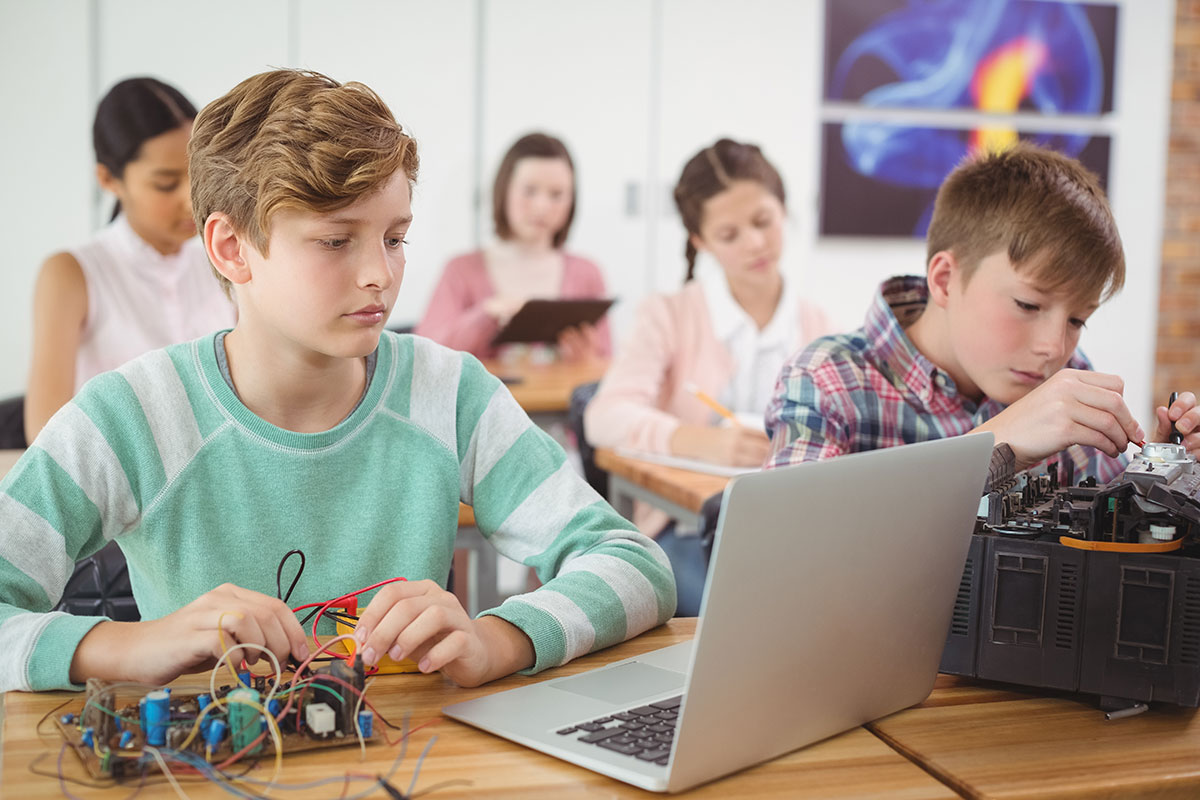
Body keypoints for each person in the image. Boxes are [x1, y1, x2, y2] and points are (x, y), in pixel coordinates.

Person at [0, 69, 674, 694]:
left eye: (394, 237)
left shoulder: (449, 392)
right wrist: (134, 647)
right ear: (231, 248)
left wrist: (496, 640)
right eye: (335, 240)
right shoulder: (133, 414)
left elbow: (633, 562)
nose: (379, 273)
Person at [764, 143, 1200, 478]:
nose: (1054, 348)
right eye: (1028, 304)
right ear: (945, 280)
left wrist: (1163, 471)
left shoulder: (1065, 378)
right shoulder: (826, 381)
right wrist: (995, 443)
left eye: (1077, 320)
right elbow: (784, 552)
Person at [584, 138, 831, 615]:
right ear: (700, 241)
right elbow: (604, 417)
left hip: (791, 533)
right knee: (751, 616)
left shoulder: (819, 325)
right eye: (729, 234)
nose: (755, 243)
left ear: (784, 209)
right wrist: (698, 441)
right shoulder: (669, 315)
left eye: (763, 221)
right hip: (685, 530)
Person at [24, 77, 235, 443]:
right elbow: (45, 438)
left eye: (198, 175)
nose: (191, 200)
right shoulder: (72, 274)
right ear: (109, 179)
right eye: (167, 184)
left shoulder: (226, 258)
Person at [415, 133, 611, 361]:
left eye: (557, 194)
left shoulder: (588, 274)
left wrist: (588, 359)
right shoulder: (460, 270)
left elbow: (608, 366)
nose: (542, 206)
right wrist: (487, 314)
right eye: (529, 191)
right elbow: (425, 354)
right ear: (504, 189)